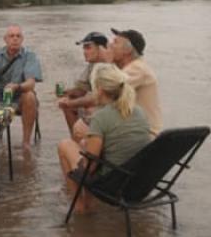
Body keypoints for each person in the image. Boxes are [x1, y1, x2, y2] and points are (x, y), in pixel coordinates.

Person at [57, 63, 151, 213]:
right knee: (86, 145)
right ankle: (88, 204)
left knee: (65, 145)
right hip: (137, 182)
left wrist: (84, 148)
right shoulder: (139, 111)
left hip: (111, 185)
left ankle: (80, 207)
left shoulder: (101, 117)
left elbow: (90, 167)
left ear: (99, 90)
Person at [0, 24, 43, 148]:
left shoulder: (30, 56)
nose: (15, 39)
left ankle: (26, 143)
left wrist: (17, 86)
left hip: (20, 97)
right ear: (5, 39)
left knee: (30, 96)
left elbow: (31, 83)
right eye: (11, 36)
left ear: (22, 39)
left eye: (18, 36)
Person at [108, 28, 163, 135]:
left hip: (145, 134)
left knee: (82, 130)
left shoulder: (137, 68)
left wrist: (106, 62)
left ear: (127, 50)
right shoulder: (129, 68)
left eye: (115, 42)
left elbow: (106, 90)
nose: (110, 45)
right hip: (134, 130)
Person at [58, 32, 109, 139]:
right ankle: (76, 139)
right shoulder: (92, 65)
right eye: (84, 48)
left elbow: (97, 98)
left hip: (109, 108)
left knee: (88, 109)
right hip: (100, 104)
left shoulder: (107, 67)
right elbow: (82, 89)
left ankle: (90, 140)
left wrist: (70, 103)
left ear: (100, 48)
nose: (84, 52)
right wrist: (66, 93)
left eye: (88, 47)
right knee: (69, 101)